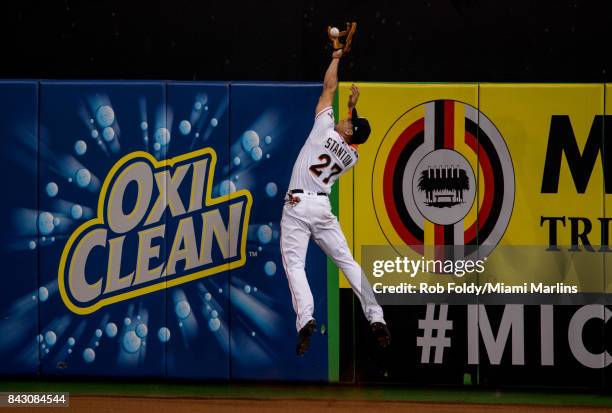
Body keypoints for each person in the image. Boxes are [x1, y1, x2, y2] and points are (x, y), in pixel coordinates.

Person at [280, 49, 391, 356]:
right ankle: (376, 317)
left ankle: (306, 318)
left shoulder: (323, 129)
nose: (343, 118)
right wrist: (354, 109)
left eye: (348, 120)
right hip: (323, 209)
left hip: (298, 205)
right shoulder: (353, 155)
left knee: (295, 266)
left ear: (349, 130)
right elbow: (350, 134)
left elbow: (329, 86)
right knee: (348, 264)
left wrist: (336, 55)